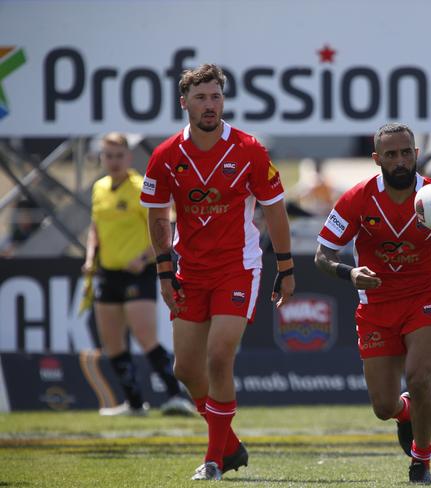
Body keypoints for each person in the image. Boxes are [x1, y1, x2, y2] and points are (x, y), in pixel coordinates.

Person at [140, 64, 295, 481]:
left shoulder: (249, 149)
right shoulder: (166, 155)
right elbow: (157, 218)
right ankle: (229, 446)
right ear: (184, 103)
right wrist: (164, 271)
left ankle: (213, 459)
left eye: (216, 97)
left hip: (237, 267)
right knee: (186, 370)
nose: (210, 105)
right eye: (201, 97)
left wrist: (285, 266)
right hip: (189, 270)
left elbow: (275, 209)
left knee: (219, 356)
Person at [314, 122, 431, 484]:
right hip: (375, 307)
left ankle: (421, 461)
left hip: (424, 299)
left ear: (416, 154)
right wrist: (349, 273)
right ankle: (404, 412)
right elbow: (322, 255)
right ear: (377, 159)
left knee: (420, 379)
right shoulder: (357, 197)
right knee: (382, 407)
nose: (401, 160)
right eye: (391, 154)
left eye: (407, 152)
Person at [82, 132, 194, 417]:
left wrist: (144, 256)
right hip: (108, 272)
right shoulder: (99, 188)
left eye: (119, 155)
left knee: (145, 337)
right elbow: (95, 227)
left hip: (139, 272)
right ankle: (133, 403)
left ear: (128, 157)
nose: (114, 161)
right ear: (102, 158)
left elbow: (163, 226)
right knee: (112, 341)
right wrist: (90, 257)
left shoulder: (140, 186)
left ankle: (176, 396)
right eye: (109, 155)